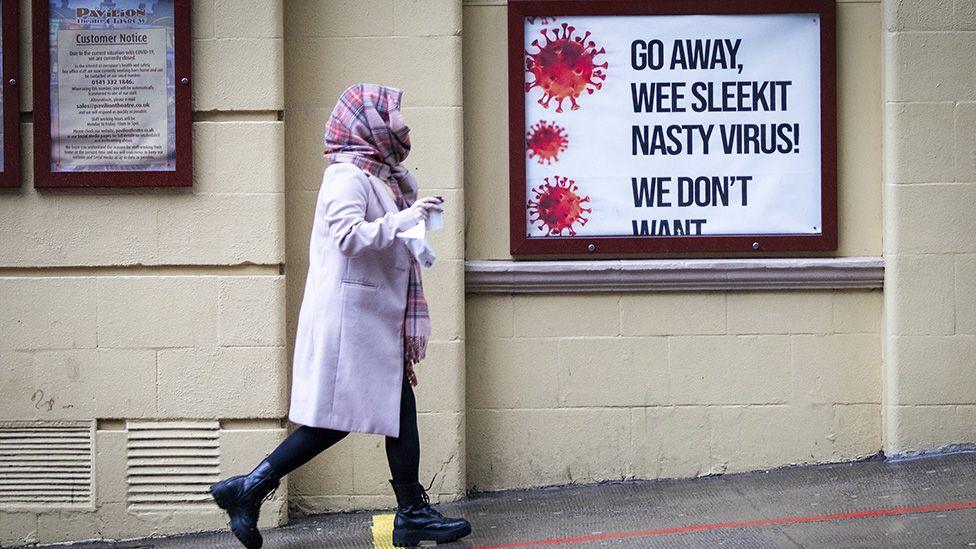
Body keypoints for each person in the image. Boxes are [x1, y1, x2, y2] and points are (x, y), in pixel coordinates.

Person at [208, 83, 472, 549]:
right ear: (366, 125)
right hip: (354, 319)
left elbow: (385, 240)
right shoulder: (346, 176)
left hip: (371, 317)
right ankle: (250, 488)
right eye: (391, 116)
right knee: (344, 418)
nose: (401, 126)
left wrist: (412, 223)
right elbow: (349, 237)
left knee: (391, 410)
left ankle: (254, 489)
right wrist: (406, 218)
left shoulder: (381, 177)